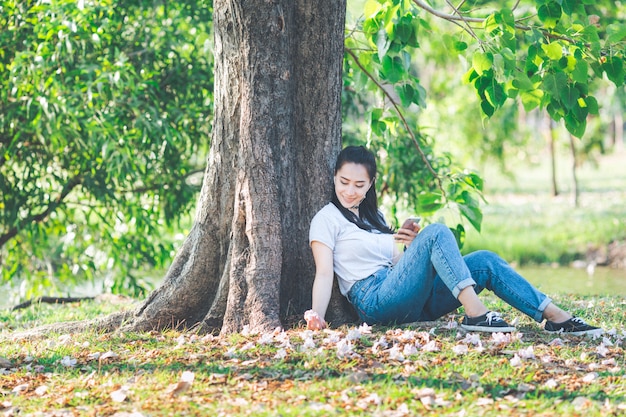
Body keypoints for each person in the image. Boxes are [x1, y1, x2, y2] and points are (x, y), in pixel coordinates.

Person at [304, 145, 602, 336]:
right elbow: (325, 273)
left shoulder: (376, 217)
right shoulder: (326, 219)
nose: (350, 191)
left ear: (370, 185)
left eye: (359, 184)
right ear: (334, 178)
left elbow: (397, 267)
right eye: (344, 182)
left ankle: (556, 318)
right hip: (375, 301)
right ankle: (477, 315)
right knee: (437, 232)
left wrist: (411, 249)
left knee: (483, 260)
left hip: (408, 298)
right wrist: (316, 316)